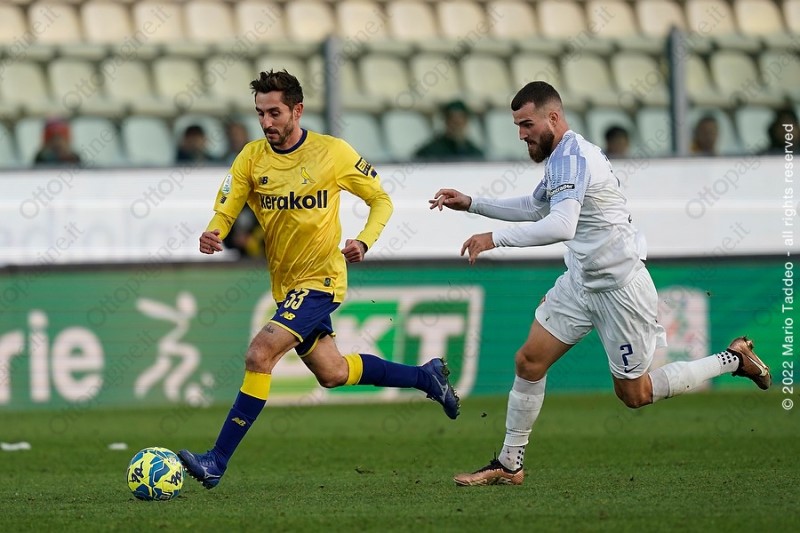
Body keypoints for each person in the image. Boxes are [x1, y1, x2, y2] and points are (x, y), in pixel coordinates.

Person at [429, 81, 771, 487]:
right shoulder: (561, 158)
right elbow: (536, 207)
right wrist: (473, 204)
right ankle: (509, 463)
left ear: (553, 118)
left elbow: (561, 225)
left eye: (526, 124)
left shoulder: (572, 157)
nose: (521, 134)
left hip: (620, 290)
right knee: (529, 361)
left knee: (634, 395)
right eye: (517, 126)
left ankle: (733, 359)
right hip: (581, 282)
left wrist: (493, 239)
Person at [179, 69, 460, 489]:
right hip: (286, 286)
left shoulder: (332, 153)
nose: (266, 122)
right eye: (260, 113)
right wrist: (214, 231)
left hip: (321, 280)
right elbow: (227, 205)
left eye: (274, 113)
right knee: (332, 372)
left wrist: (364, 241)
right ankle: (426, 377)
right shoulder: (251, 157)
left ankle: (216, 460)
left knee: (259, 355)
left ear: (297, 110)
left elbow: (380, 199)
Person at [415, 100, 485, 161]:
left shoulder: (475, 153)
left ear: (466, 122)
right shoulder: (430, 152)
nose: (457, 126)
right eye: (453, 121)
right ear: (446, 121)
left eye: (460, 122)